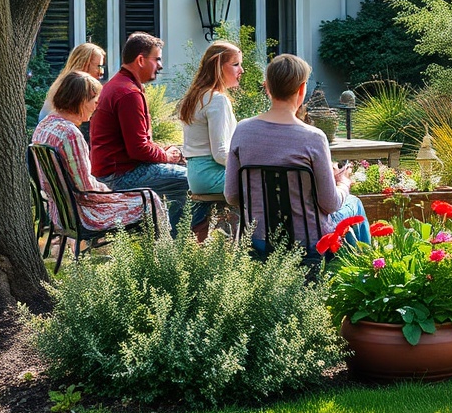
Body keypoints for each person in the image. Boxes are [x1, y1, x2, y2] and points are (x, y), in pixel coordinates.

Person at [224, 53, 370, 255]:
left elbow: (232, 196)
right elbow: (330, 204)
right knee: (354, 203)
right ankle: (358, 277)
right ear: (302, 89)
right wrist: (343, 182)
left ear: (267, 87)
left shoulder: (242, 130)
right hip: (309, 243)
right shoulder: (313, 137)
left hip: (257, 240)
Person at [89, 31, 204, 234]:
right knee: (196, 180)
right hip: (121, 177)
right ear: (141, 60)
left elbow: (136, 143)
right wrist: (167, 156)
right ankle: (173, 245)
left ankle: (167, 238)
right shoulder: (128, 93)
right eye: (157, 59)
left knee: (185, 184)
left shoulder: (116, 86)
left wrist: (163, 152)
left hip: (111, 172)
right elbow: (138, 149)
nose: (160, 66)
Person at [33, 71, 166, 235]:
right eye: (94, 101)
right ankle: (161, 254)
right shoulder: (69, 134)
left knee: (144, 196)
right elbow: (86, 188)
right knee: (149, 199)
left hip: (60, 213)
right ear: (80, 101)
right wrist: (111, 192)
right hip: (86, 215)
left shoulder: (44, 126)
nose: (97, 106)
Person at [177, 41, 243, 238]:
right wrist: (248, 165)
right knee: (262, 182)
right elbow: (220, 153)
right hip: (212, 174)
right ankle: (256, 243)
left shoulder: (198, 95)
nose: (242, 70)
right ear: (218, 66)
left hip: (196, 174)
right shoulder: (217, 99)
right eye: (236, 64)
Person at [39, 43, 106, 122]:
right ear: (84, 64)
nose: (101, 72)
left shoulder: (65, 82)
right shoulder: (73, 87)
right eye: (98, 66)